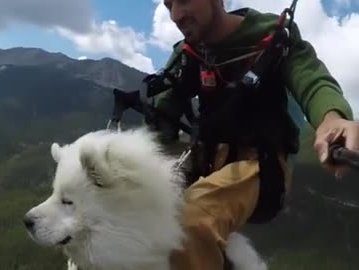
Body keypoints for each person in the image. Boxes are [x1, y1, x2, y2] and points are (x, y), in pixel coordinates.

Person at [144, 0, 359, 269]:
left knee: (192, 220)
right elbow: (166, 108)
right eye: (168, 5)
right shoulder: (186, 54)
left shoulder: (272, 35)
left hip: (261, 163)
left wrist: (331, 118)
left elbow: (311, 79)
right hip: (206, 158)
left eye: (184, 0)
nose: (176, 15)